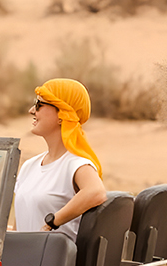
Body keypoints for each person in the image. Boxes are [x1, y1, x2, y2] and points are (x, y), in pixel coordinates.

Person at [13, 78, 108, 242]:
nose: (31, 110)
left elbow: (96, 192)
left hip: (51, 263)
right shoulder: (29, 166)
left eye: (39, 104)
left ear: (62, 114)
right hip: (22, 263)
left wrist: (52, 222)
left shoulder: (76, 164)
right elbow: (18, 227)